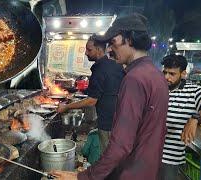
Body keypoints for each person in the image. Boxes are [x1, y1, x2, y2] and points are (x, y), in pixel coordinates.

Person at [51, 13, 169, 180]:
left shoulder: (135, 79)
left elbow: (121, 145)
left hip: (131, 172)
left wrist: (83, 176)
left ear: (129, 39)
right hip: (149, 169)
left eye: (113, 42)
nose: (110, 49)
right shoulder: (156, 75)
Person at [57, 35, 125, 153]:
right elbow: (104, 89)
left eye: (89, 50)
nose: (86, 53)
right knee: (115, 155)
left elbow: (91, 101)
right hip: (119, 119)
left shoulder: (100, 69)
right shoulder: (114, 66)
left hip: (108, 122)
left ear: (99, 50)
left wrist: (66, 107)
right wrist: (82, 90)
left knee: (108, 156)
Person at [160, 54, 201, 180]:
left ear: (183, 73)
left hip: (170, 159)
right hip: (147, 154)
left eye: (172, 74)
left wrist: (195, 118)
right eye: (165, 72)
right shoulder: (159, 88)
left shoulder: (193, 91)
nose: (166, 77)